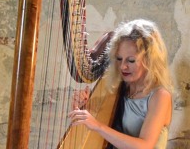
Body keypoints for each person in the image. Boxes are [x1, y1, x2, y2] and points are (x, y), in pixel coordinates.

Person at [69, 19, 173, 149]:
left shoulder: (160, 96)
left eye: (131, 60)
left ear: (149, 60)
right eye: (119, 59)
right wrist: (83, 105)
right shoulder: (121, 88)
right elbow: (93, 118)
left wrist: (97, 126)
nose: (123, 66)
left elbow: (144, 146)